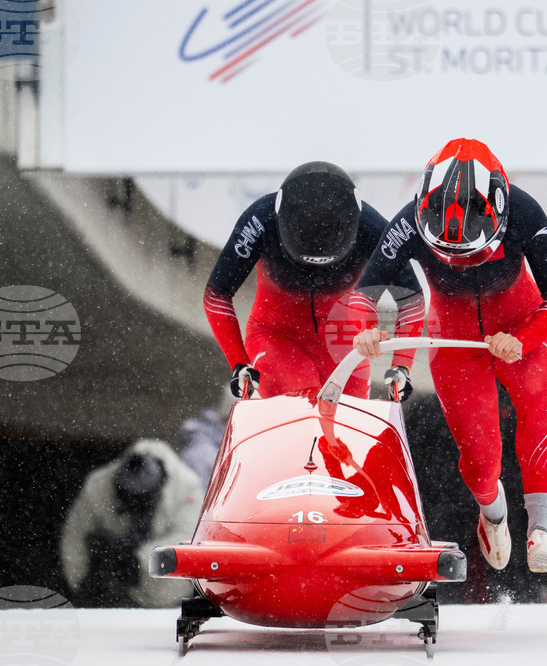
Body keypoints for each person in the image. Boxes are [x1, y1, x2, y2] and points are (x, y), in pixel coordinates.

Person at [352, 138, 547, 574]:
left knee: (531, 390)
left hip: (521, 319)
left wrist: (523, 339)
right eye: (448, 256)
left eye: (469, 253)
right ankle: (493, 514)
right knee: (480, 455)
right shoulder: (409, 222)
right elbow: (365, 293)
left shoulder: (525, 212)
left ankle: (541, 530)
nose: (460, 263)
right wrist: (366, 329)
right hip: (454, 335)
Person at [203, 161, 423, 400]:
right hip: (276, 336)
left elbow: (412, 301)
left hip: (343, 341)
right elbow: (217, 294)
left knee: (345, 427)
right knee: (302, 402)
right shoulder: (259, 221)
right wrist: (239, 362)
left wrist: (402, 365)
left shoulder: (372, 228)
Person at [60, 439, 203, 607]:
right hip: (109, 580)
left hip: (165, 596)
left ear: (160, 486)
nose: (135, 505)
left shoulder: (187, 487)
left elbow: (190, 539)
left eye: (142, 500)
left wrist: (140, 562)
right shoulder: (98, 485)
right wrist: (82, 584)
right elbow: (75, 536)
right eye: (129, 498)